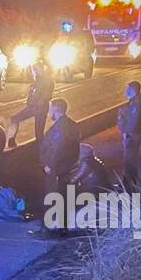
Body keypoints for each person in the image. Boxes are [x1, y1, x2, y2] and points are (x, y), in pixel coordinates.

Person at [38, 98, 81, 233]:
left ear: (57, 110)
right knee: (62, 197)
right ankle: (61, 227)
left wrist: (49, 164)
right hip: (65, 168)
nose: (48, 112)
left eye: (50, 109)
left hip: (57, 169)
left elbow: (57, 148)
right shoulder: (71, 125)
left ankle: (51, 229)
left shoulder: (61, 128)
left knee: (53, 197)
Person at [8, 58, 54, 147]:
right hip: (35, 107)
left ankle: (42, 151)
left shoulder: (46, 80)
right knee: (15, 119)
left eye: (34, 70)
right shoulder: (39, 80)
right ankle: (12, 141)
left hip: (39, 108)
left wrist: (35, 106)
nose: (33, 72)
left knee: (38, 132)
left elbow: (45, 96)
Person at [116, 80, 141, 185]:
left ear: (133, 91)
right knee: (130, 159)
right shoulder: (136, 102)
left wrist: (126, 133)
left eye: (128, 89)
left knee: (129, 160)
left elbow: (134, 120)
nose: (126, 91)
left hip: (132, 135)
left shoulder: (137, 104)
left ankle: (129, 185)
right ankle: (131, 183)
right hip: (133, 134)